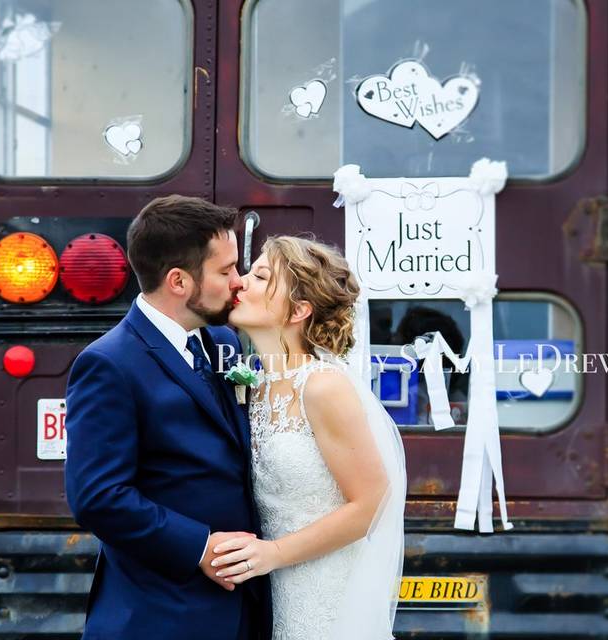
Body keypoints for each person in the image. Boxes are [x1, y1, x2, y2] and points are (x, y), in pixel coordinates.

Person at [64, 195, 270, 640]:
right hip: (159, 613)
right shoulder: (109, 364)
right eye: (225, 270)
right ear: (178, 280)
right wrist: (200, 548)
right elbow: (97, 496)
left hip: (245, 609)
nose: (238, 281)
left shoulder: (221, 341)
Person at [212, 235, 407, 640]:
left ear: (299, 310)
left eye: (261, 277)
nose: (241, 283)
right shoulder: (256, 384)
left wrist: (273, 554)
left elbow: (372, 502)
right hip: (272, 594)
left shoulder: (322, 387)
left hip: (327, 596)